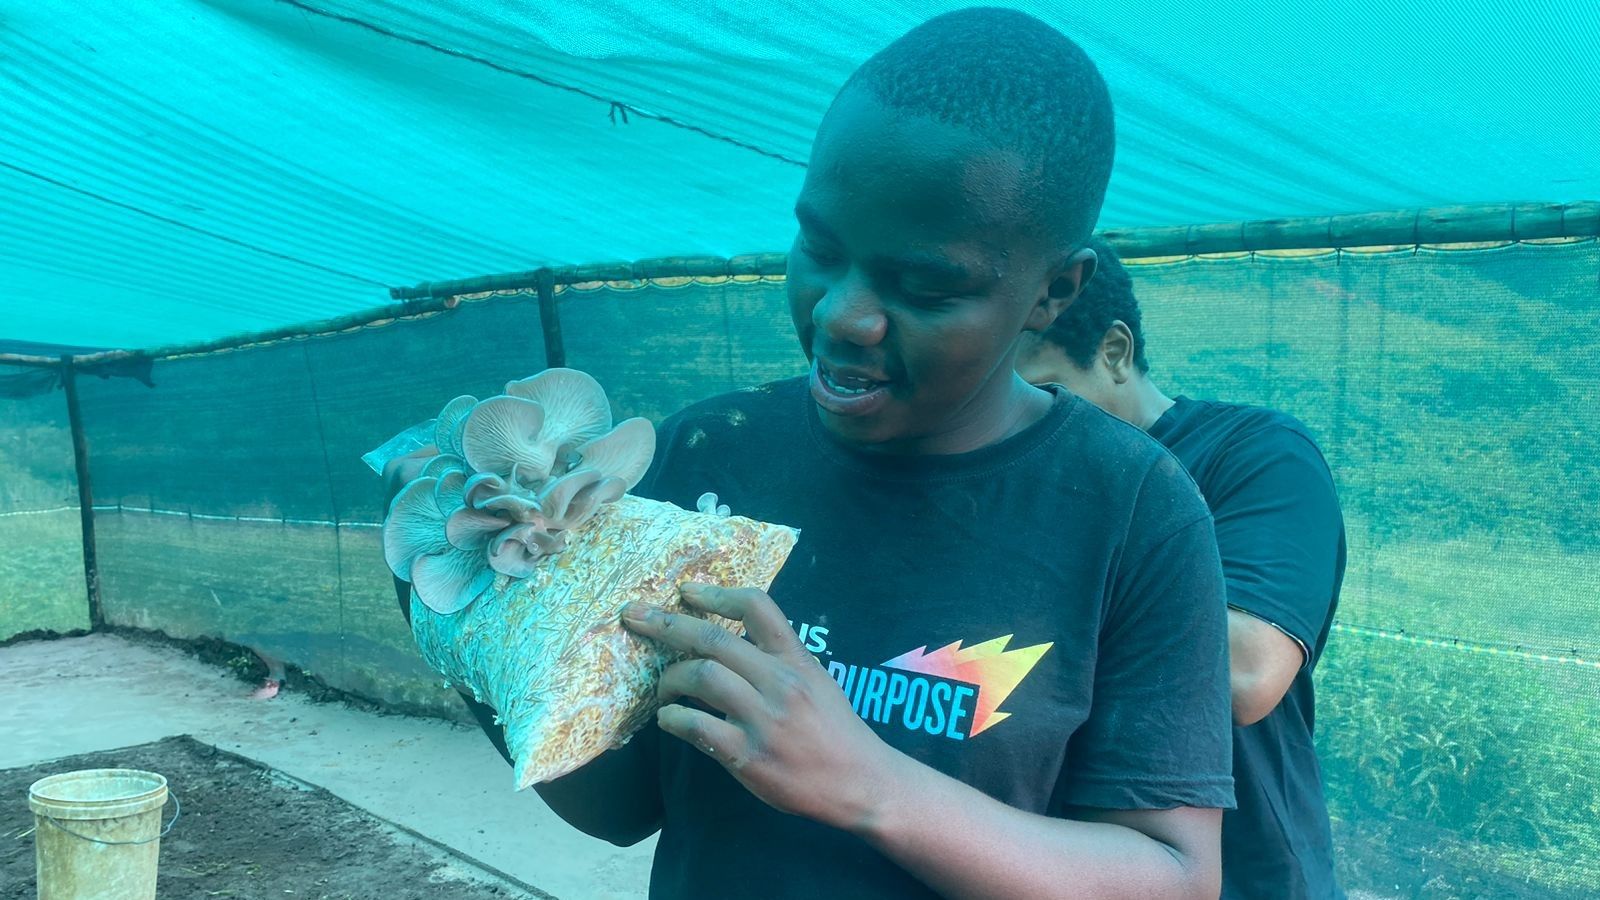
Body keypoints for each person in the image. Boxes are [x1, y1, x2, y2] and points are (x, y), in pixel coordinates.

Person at [390, 10, 1235, 898]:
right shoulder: (708, 457)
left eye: (925, 285)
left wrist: (867, 786)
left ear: (1053, 291)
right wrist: (459, 615)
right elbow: (626, 803)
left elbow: (1175, 875)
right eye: (821, 249)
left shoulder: (1132, 508)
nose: (842, 315)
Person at [1016, 240, 1347, 900]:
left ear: (1114, 352)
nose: (1023, 423)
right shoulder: (1014, 481)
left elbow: (1249, 670)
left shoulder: (1251, 454)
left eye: (1045, 391)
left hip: (1247, 876)